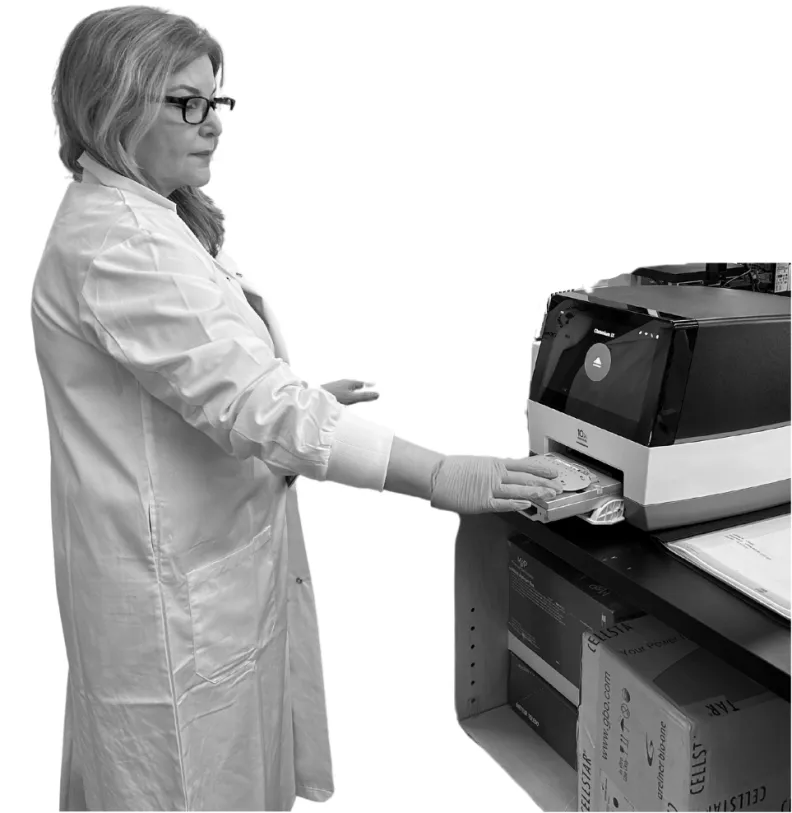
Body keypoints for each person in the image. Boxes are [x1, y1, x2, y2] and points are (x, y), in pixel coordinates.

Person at [31, 7, 562, 811]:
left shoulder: (154, 218)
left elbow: (213, 377)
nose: (212, 125)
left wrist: (305, 404)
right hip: (169, 610)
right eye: (186, 103)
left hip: (215, 575)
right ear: (113, 105)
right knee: (176, 784)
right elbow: (251, 402)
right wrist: (440, 473)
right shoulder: (120, 242)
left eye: (217, 102)